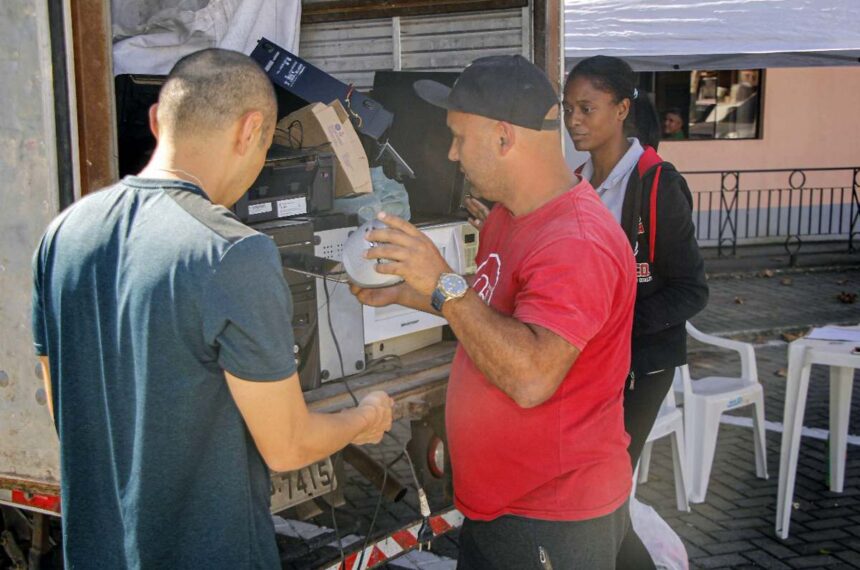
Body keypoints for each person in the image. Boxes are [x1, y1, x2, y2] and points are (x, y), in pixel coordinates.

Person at [31, 48, 393, 569]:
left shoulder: (62, 235)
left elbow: (61, 407)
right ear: (251, 131)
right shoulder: (233, 251)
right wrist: (363, 419)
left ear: (158, 121)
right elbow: (288, 446)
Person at [351, 54, 636, 569]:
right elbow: (490, 314)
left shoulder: (575, 240)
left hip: (552, 519)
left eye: (460, 137)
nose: (453, 153)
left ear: (504, 138)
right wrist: (410, 294)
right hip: (502, 509)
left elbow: (530, 375)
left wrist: (440, 280)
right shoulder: (508, 216)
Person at [563, 55, 709, 568]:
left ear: (622, 108)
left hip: (639, 368)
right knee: (589, 494)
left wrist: (617, 334)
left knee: (600, 495)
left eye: (587, 108)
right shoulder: (575, 185)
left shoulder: (655, 183)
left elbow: (692, 290)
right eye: (567, 108)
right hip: (586, 370)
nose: (574, 120)